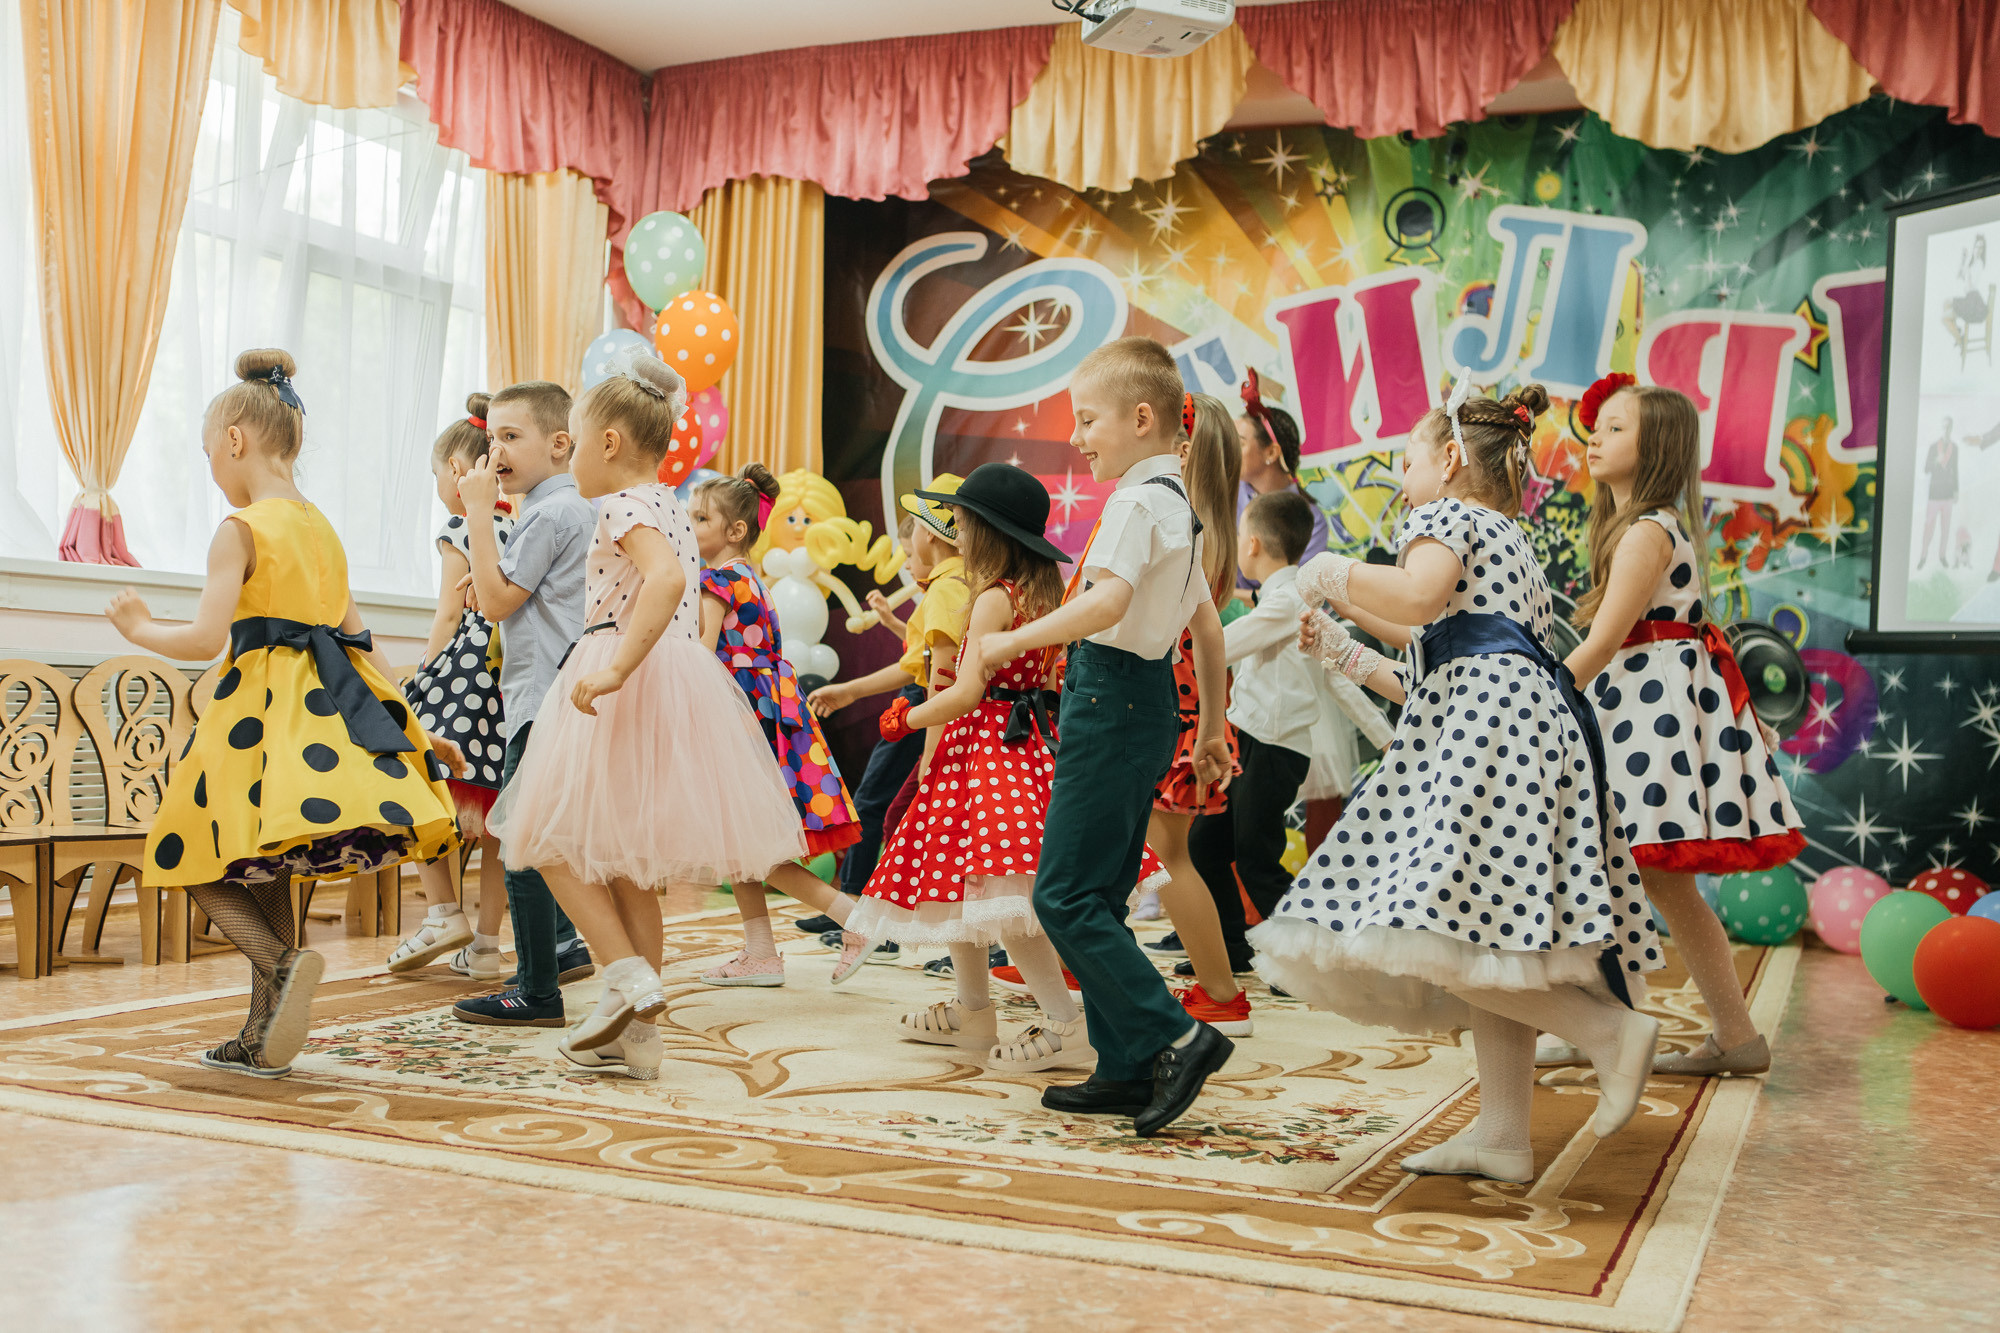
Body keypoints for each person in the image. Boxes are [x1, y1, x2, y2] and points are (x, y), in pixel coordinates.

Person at [1253, 378, 1662, 1186]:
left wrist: (1330, 572)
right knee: (1483, 934)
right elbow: (1432, 654)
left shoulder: (1439, 519)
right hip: (1514, 724)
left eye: (1406, 459)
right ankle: (1503, 1134)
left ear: (1446, 460)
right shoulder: (1509, 539)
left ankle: (1606, 1031)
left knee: (1438, 932)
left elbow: (1416, 595)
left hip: (1486, 735)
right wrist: (1343, 646)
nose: (1402, 476)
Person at [107, 349, 463, 1076]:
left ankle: (282, 959)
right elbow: (360, 640)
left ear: (235, 439)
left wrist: (140, 628)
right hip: (321, 714)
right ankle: (258, 1034)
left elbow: (208, 638)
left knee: (187, 852)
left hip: (255, 712)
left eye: (210, 452)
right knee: (265, 868)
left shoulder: (240, 528)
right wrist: (415, 729)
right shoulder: (319, 526)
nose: (212, 469)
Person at [488, 347, 806, 1081]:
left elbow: (662, 581)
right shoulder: (668, 500)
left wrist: (620, 668)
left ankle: (626, 973)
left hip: (619, 663)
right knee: (627, 862)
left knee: (538, 835)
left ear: (608, 444)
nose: (570, 462)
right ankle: (639, 1037)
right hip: (663, 671)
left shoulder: (619, 503)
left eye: (574, 438)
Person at [973, 337, 1235, 1138]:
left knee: (1062, 894)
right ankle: (1124, 1066)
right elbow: (1207, 628)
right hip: (1148, 704)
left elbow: (1108, 603)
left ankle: (1176, 1035)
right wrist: (1212, 726)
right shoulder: (1178, 505)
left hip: (1112, 699)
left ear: (1141, 417)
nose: (1079, 436)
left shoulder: (1133, 503)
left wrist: (1011, 641)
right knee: (1102, 895)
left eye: (1087, 419)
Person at [852, 464, 1137, 1070]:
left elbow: (965, 694)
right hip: (1027, 744)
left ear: (983, 531)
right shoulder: (1040, 596)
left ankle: (1065, 1023)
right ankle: (975, 1008)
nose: (953, 527)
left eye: (961, 519)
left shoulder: (989, 600)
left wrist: (906, 719)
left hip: (982, 750)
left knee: (1003, 901)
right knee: (967, 885)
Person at [1563, 379, 1805, 1077]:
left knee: (1648, 879)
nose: (1594, 438)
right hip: (1643, 708)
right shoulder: (1646, 528)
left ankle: (1701, 1033)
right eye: (1597, 427)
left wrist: (1550, 693)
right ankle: (1674, 1030)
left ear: (1656, 447)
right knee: (1635, 878)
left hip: (1648, 716)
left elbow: (1605, 640)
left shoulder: (1646, 531)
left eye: (1613, 428)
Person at [689, 464, 869, 985]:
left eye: (701, 517)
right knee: (739, 842)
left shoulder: (716, 580)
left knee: (751, 845)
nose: (690, 524)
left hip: (739, 717)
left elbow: (703, 655)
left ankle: (851, 918)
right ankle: (761, 954)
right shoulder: (752, 579)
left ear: (736, 530)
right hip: (768, 715)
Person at [450, 380, 595, 1028]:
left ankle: (537, 989)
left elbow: (502, 599)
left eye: (512, 436)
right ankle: (561, 944)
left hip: (541, 694)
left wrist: (477, 515)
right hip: (558, 688)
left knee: (519, 836)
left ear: (560, 443)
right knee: (548, 831)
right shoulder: (572, 507)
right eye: (492, 437)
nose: (496, 450)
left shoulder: (547, 511)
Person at [801, 478, 969, 933]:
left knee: (887, 808)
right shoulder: (951, 585)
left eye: (913, 534)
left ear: (929, 533)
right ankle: (872, 914)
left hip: (931, 709)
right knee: (896, 810)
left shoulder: (949, 589)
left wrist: (931, 744)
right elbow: (924, 661)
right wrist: (854, 690)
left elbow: (939, 676)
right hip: (932, 705)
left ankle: (873, 915)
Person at [1136, 391, 1254, 1039]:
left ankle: (1220, 993)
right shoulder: (1205, 530)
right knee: (1156, 851)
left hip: (1167, 709)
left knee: (1168, 853)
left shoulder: (1180, 526)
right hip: (1183, 708)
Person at [386, 394, 514, 978]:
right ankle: (486, 946)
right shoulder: (523, 518)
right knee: (496, 824)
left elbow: (446, 612)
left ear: (458, 473)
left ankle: (442, 910)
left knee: (412, 773)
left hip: (462, 674)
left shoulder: (461, 525)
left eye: (437, 473)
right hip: (508, 678)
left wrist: (425, 670)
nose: (438, 483)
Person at [1186, 488, 1319, 1002]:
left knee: (1255, 854)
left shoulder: (1287, 600)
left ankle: (1305, 957)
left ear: (1255, 545)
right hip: (1250, 739)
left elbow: (1222, 646)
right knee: (1205, 844)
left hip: (1272, 745)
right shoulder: (1279, 598)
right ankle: (1232, 947)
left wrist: (1177, 640)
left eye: (1241, 536)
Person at [1236, 369, 1327, 590]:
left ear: (1271, 453)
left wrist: (1229, 597)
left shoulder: (1311, 521)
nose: (1228, 450)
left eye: (1239, 444)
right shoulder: (1231, 492)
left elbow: (1297, 595)